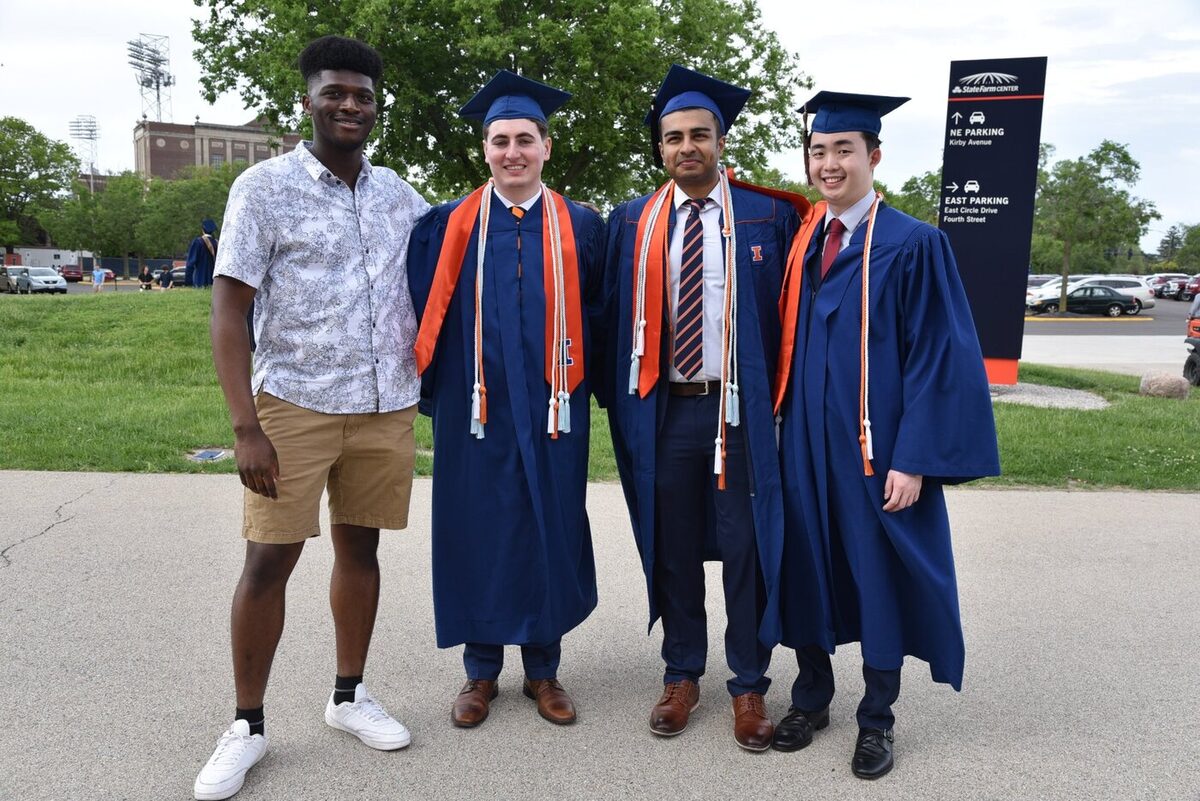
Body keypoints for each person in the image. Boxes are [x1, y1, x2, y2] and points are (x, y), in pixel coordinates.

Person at [195, 35, 429, 801]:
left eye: (362, 96)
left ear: (376, 106)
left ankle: (349, 695)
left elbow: (453, 263)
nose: (350, 105)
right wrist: (245, 426)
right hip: (292, 405)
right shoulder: (263, 188)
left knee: (361, 551)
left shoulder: (399, 195)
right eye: (335, 92)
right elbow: (228, 310)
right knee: (269, 560)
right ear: (308, 100)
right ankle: (247, 725)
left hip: (383, 405)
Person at [771, 91, 1000, 779]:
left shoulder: (914, 243)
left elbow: (940, 356)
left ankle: (877, 718)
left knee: (878, 574)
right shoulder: (803, 240)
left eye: (843, 150)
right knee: (806, 563)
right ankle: (811, 697)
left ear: (874, 156)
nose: (829, 163)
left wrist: (915, 457)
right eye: (818, 151)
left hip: (876, 451)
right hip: (803, 443)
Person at [605, 65, 808, 751]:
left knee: (746, 545)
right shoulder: (634, 220)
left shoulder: (768, 216)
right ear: (660, 148)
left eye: (699, 134)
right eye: (673, 138)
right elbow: (609, 318)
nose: (686, 146)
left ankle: (749, 681)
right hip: (667, 411)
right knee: (674, 543)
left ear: (721, 141)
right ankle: (682, 672)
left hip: (740, 411)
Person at [407, 70, 605, 729]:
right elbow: (422, 307)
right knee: (476, 525)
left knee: (549, 520)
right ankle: (481, 669)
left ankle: (543, 668)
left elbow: (599, 312)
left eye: (525, 139)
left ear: (547, 146)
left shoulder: (582, 226)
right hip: (476, 407)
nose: (512, 152)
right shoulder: (446, 226)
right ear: (485, 149)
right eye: (500, 140)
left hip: (554, 406)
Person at [187, 219, 219, 287]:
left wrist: (188, 280)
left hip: (200, 278)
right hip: (214, 279)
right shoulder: (217, 243)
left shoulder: (198, 242)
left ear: (202, 230)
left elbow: (191, 262)